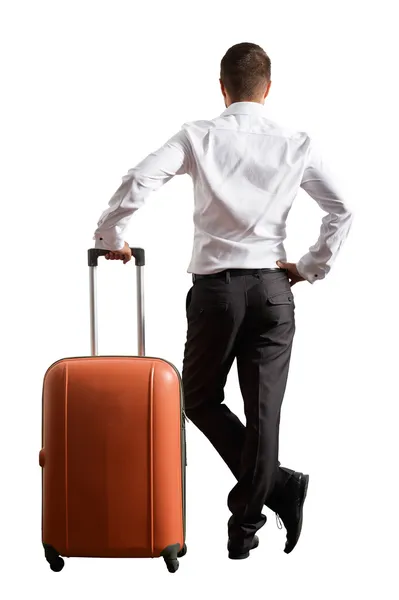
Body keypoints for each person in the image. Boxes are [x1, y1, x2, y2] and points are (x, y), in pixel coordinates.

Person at [93, 42, 353, 560]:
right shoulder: (296, 142)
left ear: (222, 86)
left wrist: (110, 238)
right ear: (269, 88)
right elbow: (342, 210)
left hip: (215, 292)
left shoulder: (198, 135)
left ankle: (267, 500)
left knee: (199, 398)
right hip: (274, 293)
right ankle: (256, 512)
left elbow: (139, 178)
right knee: (264, 415)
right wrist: (307, 268)